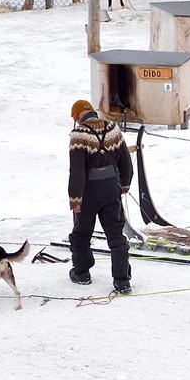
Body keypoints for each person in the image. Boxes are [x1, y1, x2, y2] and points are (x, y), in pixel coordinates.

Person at [67, 99, 134, 294]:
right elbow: (125, 160)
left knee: (81, 233)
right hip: (111, 189)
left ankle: (82, 273)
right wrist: (125, 183)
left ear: (78, 115)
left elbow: (77, 170)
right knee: (115, 234)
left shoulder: (79, 134)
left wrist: (75, 199)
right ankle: (122, 280)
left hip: (88, 192)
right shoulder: (113, 128)